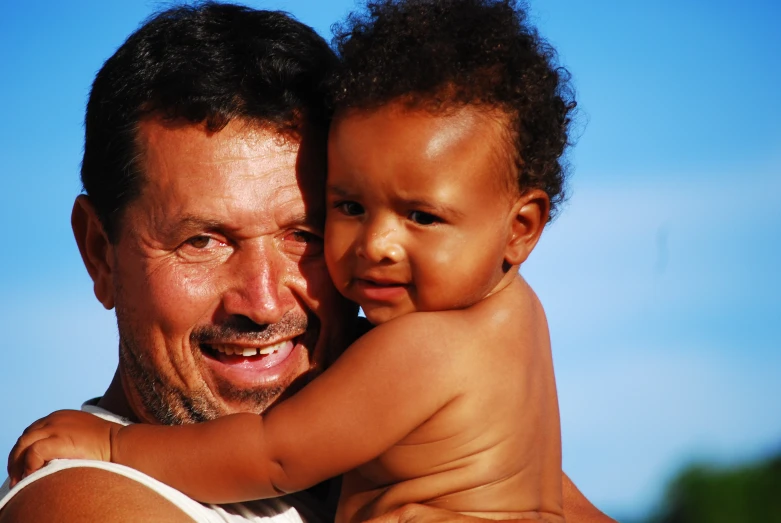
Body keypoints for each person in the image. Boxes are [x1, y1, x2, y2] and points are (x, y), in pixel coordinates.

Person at [1, 2, 614, 523]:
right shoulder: (82, 496)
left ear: (522, 230)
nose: (264, 301)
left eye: (305, 234)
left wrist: (118, 446)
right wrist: (112, 448)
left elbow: (274, 452)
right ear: (99, 253)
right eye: (203, 241)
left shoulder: (412, 411)